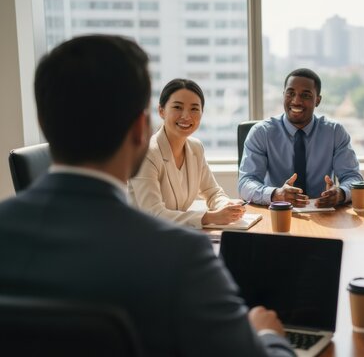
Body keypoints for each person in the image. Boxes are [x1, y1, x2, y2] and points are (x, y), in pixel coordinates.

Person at [0, 35, 294, 356]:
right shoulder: (182, 257)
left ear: (43, 121)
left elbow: (212, 191)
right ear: (143, 127)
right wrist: (268, 335)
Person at [128, 78, 245, 229]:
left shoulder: (196, 148)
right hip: (142, 237)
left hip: (175, 236)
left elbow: (212, 192)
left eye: (194, 109)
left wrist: (227, 206)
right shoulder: (148, 153)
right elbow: (153, 213)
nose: (186, 116)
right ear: (161, 111)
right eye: (177, 107)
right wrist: (210, 217)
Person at [238, 68, 363, 208]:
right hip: (278, 211)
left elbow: (354, 178)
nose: (296, 101)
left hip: (323, 212)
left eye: (306, 95)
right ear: (283, 95)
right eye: (290, 93)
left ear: (318, 100)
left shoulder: (335, 132)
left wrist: (340, 193)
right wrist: (275, 194)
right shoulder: (261, 132)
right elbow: (245, 183)